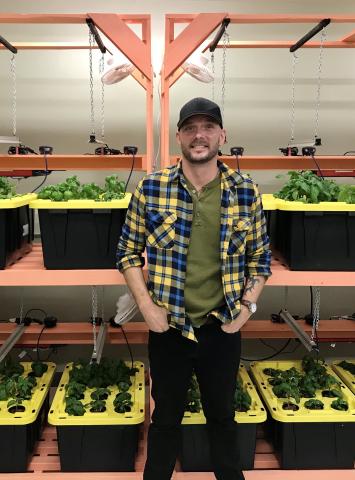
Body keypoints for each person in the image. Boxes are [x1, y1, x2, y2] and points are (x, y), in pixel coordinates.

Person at [117, 97, 271, 480]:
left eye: (207, 127)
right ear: (179, 137)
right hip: (169, 327)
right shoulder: (152, 188)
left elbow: (260, 260)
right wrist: (148, 309)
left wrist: (246, 310)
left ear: (222, 135)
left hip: (223, 327)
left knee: (222, 416)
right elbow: (128, 253)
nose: (198, 135)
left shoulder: (246, 191)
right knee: (165, 417)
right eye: (190, 128)